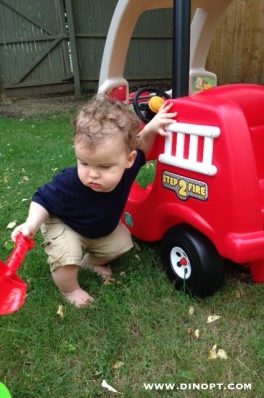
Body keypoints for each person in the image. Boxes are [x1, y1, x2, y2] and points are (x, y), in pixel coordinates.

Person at [11, 95, 177, 307]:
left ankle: (89, 262)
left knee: (123, 242)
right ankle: (70, 290)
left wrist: (152, 127)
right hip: (65, 225)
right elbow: (41, 198)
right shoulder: (69, 182)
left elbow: (142, 146)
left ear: (128, 160)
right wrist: (31, 223)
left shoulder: (129, 168)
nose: (92, 175)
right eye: (84, 163)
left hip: (97, 229)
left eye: (104, 167)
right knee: (66, 257)